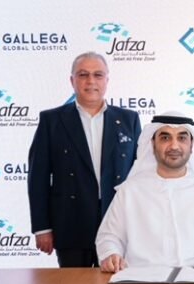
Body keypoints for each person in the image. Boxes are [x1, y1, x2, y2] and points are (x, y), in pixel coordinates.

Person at [96, 112, 194, 273]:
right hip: (143, 280)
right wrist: (111, 254)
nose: (174, 146)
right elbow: (110, 236)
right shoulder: (130, 191)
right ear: (153, 144)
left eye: (182, 138)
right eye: (165, 138)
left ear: (192, 145)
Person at [27, 51, 141, 267]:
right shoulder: (51, 120)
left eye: (98, 75)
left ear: (107, 80)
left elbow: (140, 173)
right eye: (83, 75)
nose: (91, 81)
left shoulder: (129, 119)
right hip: (70, 224)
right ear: (72, 80)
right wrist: (42, 228)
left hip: (118, 224)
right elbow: (38, 178)